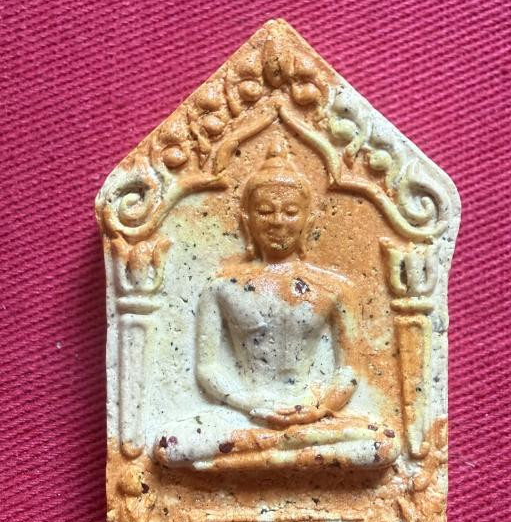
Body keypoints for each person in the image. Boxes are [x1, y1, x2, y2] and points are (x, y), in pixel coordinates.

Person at [155, 140, 400, 470]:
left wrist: (317, 409)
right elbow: (208, 369)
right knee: (171, 445)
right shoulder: (222, 287)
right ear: (247, 220)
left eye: (290, 212)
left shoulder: (334, 289)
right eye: (265, 211)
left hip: (310, 415)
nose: (277, 222)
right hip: (244, 414)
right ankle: (287, 454)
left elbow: (349, 371)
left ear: (308, 220)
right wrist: (250, 404)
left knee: (383, 443)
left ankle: (257, 458)